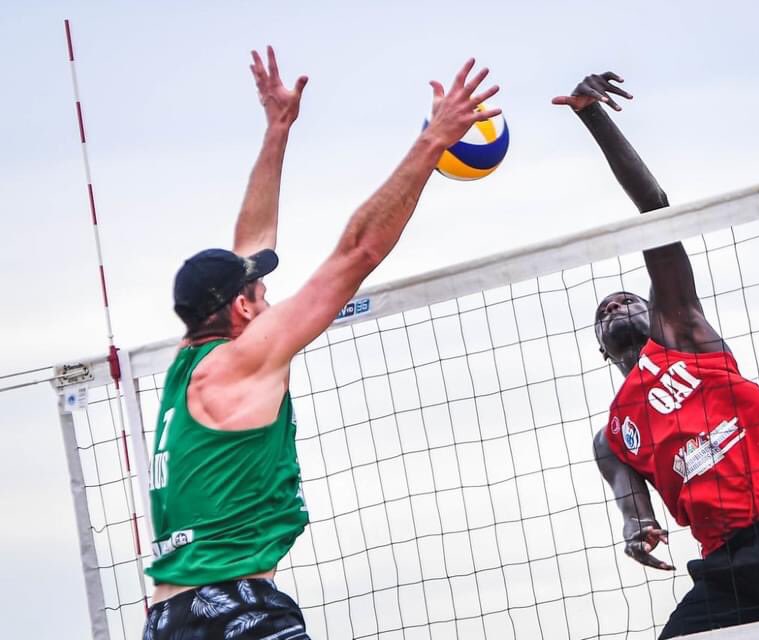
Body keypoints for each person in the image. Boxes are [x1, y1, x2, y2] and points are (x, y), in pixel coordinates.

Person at [142, 47, 500, 640]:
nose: (272, 300)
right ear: (240, 307)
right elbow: (358, 251)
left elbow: (250, 243)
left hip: (170, 619)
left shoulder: (190, 364)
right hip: (234, 613)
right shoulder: (242, 362)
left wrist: (277, 130)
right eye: (262, 291)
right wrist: (434, 139)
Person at [554, 73, 759, 639]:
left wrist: (592, 117)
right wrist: (639, 532)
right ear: (600, 349)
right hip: (725, 570)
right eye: (602, 311)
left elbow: (656, 209)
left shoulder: (682, 332)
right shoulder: (614, 435)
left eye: (627, 298)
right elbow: (635, 513)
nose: (615, 306)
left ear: (651, 313)